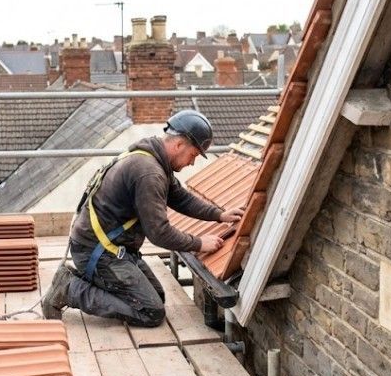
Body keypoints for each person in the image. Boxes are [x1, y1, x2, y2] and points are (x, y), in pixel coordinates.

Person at [41, 110, 243, 327]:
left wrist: (218, 215)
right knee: (151, 311)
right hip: (97, 252)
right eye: (193, 155)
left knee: (156, 297)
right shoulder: (149, 173)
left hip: (113, 248)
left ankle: (86, 282)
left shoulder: (153, 159)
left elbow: (180, 198)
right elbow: (159, 233)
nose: (192, 163)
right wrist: (199, 242)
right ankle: (70, 289)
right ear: (178, 145)